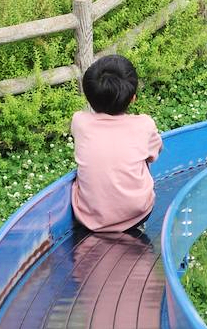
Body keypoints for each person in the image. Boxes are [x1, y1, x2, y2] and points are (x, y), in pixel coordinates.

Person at [70, 53, 163, 234]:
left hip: (88, 217)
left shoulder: (79, 122)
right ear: (133, 98)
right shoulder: (144, 125)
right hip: (138, 213)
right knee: (142, 160)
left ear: (88, 98)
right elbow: (154, 153)